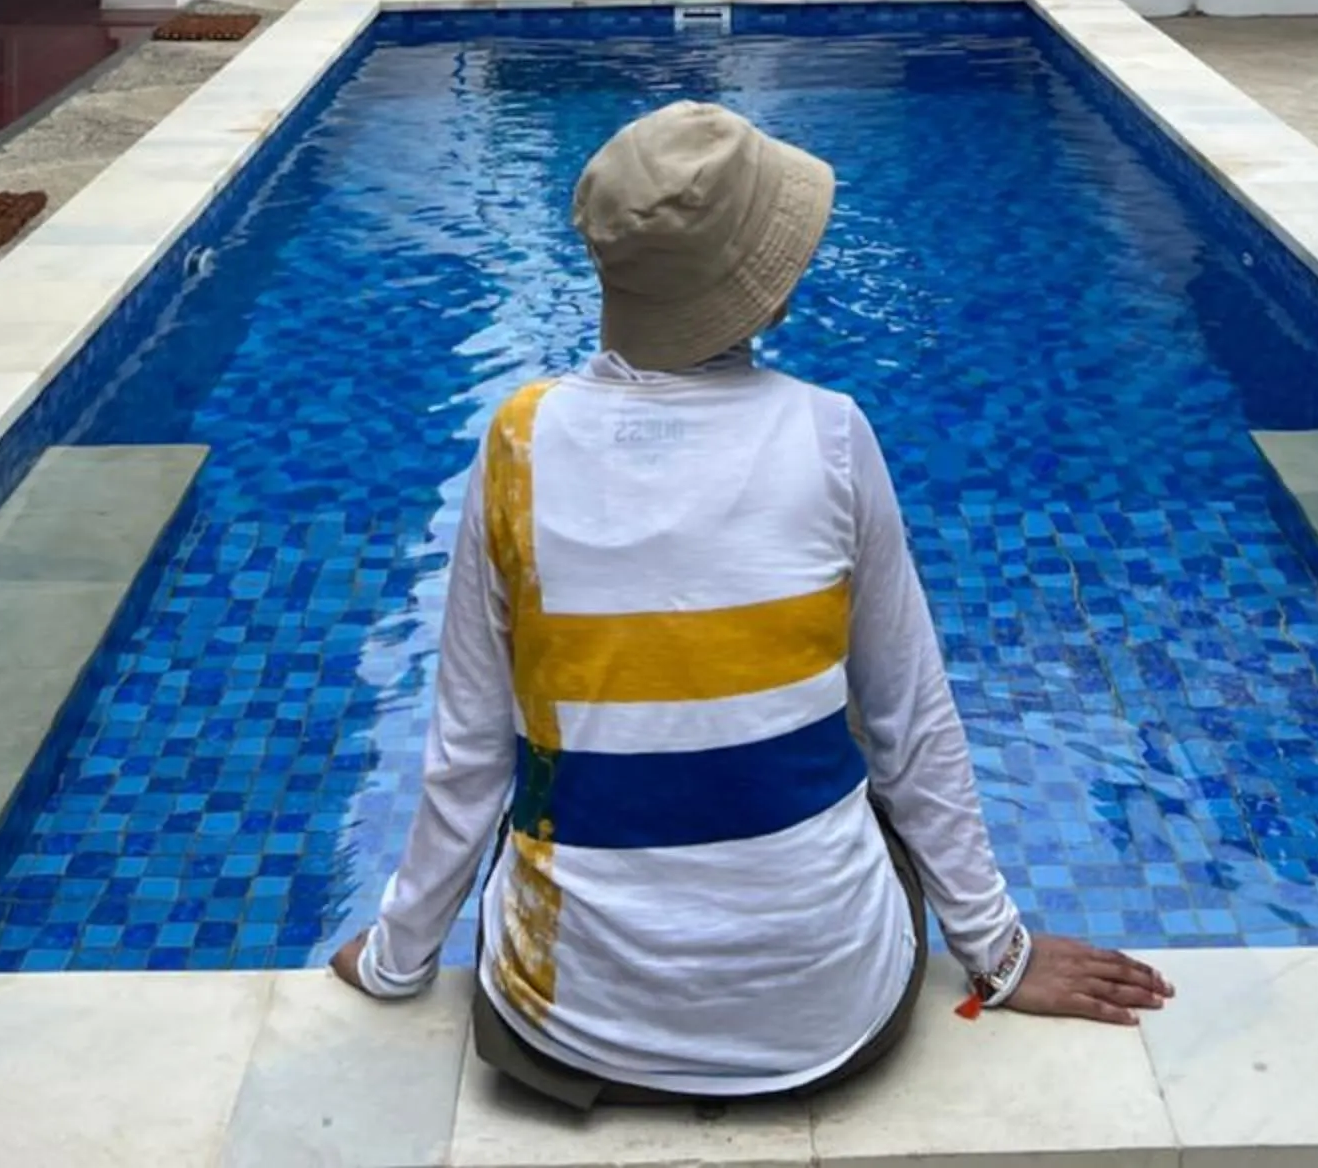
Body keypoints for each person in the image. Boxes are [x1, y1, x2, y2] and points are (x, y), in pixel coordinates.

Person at [331, 101, 1172, 1105]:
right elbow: (913, 724)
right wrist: (997, 952)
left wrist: (396, 956)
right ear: (764, 293)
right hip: (830, 1016)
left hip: (567, 1031)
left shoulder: (517, 445)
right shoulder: (831, 434)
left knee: (551, 729)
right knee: (852, 698)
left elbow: (468, 749)